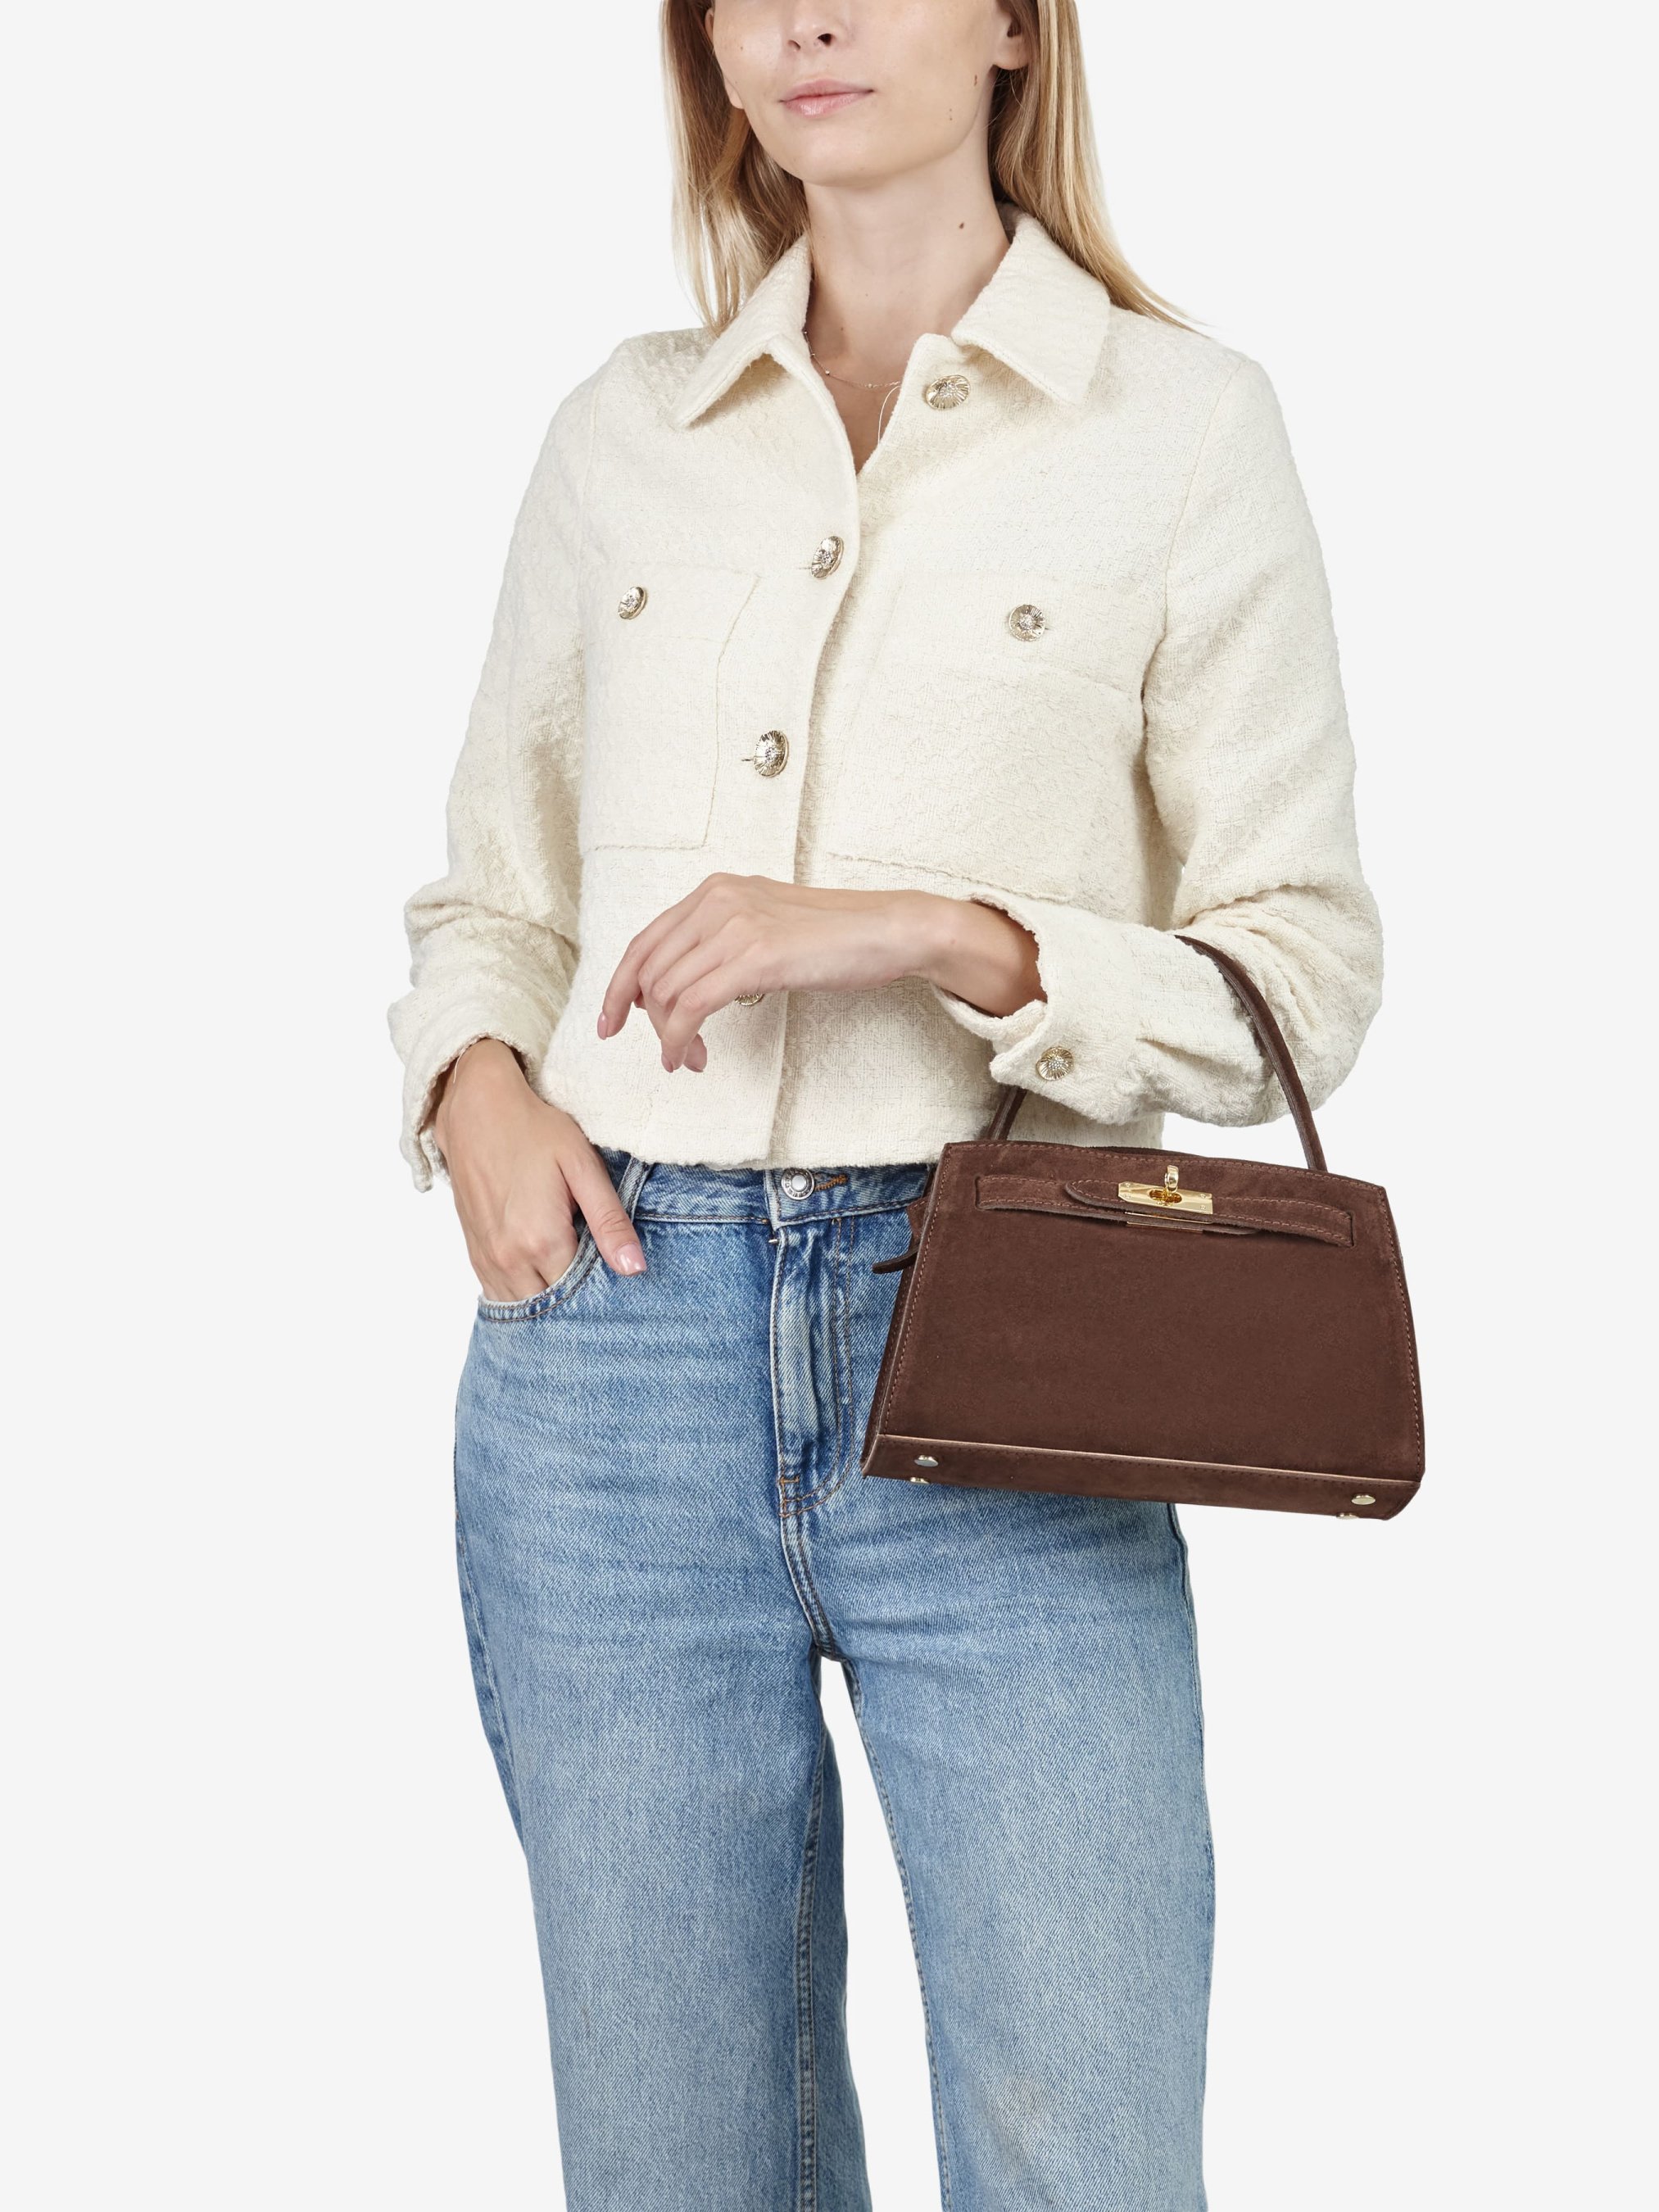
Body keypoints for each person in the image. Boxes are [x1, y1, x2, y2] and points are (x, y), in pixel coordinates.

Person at [388, 4, 1382, 2206]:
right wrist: (471, 1085)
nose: (806, 19)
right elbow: (493, 898)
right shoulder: (625, 428)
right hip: (608, 1354)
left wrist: (939, 932)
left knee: (1083, 2151)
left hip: (1006, 1346)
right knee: (680, 2161)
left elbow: (1295, 979)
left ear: (1016, 25)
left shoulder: (1180, 426)